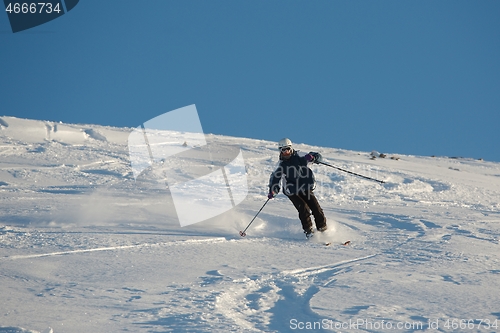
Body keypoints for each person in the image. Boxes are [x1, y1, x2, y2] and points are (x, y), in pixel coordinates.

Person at [267, 138, 327, 238]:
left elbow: (318, 157)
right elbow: (274, 179)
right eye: (283, 150)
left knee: (316, 207)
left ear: (291, 148)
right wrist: (273, 191)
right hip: (292, 191)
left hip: (305, 186)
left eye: (288, 149)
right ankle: (309, 231)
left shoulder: (300, 156)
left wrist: (314, 157)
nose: (286, 152)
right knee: (303, 208)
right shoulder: (280, 165)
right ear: (280, 151)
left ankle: (323, 229)